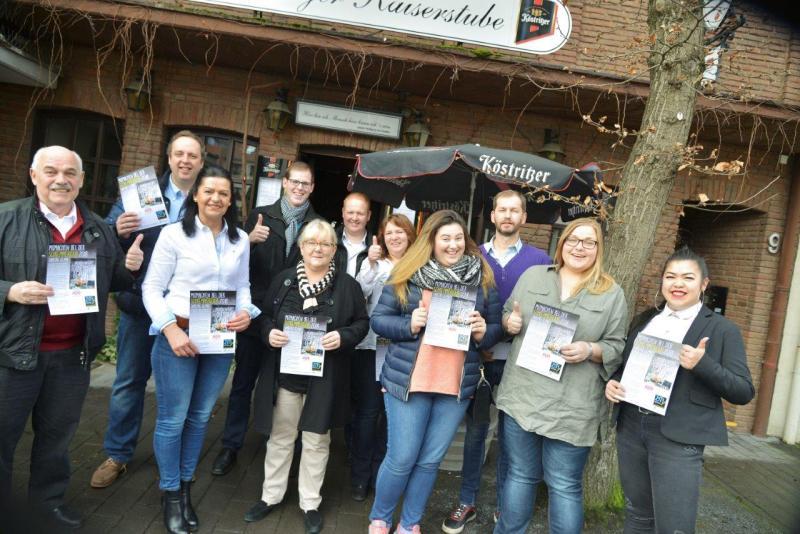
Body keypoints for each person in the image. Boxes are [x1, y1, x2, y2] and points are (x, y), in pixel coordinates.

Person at [0, 146, 141, 529]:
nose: (60, 179)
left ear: (81, 180)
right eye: (51, 171)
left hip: (71, 357)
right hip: (13, 355)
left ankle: (47, 503)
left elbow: (111, 282)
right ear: (34, 175)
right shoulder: (6, 219)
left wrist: (129, 268)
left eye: (69, 173)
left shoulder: (97, 228)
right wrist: (9, 292)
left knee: (56, 439)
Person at [368, 210, 504, 534]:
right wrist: (408, 323)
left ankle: (409, 524)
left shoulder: (482, 279)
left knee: (430, 461)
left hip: (454, 386)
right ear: (432, 240)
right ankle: (380, 518)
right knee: (401, 458)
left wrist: (484, 330)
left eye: (459, 238)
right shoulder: (408, 273)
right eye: (446, 238)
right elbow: (378, 320)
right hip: (408, 382)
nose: (453, 244)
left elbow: (497, 328)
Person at [142, 165, 258, 534]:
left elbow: (243, 286)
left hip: (219, 339)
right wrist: (170, 329)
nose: (216, 198)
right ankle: (171, 493)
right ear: (196, 194)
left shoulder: (239, 239)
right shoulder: (174, 234)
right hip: (179, 336)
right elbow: (151, 288)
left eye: (224, 193)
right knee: (173, 420)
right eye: (209, 191)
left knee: (200, 418)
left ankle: (186, 487)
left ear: (231, 200)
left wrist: (246, 312)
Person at [605, 247, 754, 534]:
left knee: (675, 526)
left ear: (704, 284)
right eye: (671, 276)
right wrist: (613, 382)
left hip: (678, 436)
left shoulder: (723, 330)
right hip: (632, 427)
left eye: (687, 277)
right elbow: (626, 368)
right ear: (662, 281)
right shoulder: (645, 320)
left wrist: (702, 364)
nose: (678, 284)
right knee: (637, 515)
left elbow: (743, 391)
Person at [494, 218, 628, 534]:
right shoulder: (533, 276)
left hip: (573, 406)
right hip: (523, 397)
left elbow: (616, 346)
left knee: (564, 484)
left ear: (599, 249)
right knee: (520, 475)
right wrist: (509, 324)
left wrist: (589, 349)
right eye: (572, 240)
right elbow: (507, 316)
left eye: (588, 242)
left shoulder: (611, 294)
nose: (579, 247)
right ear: (562, 243)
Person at [91, 130, 205, 488]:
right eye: (179, 154)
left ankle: (170, 456)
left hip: (185, 311)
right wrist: (118, 230)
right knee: (129, 381)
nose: (185, 160)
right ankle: (118, 454)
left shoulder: (207, 197)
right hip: (141, 304)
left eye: (192, 155)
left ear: (200, 163)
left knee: (181, 390)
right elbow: (105, 238)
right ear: (168, 158)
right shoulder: (139, 194)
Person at [244, 219, 369, 534]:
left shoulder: (348, 286)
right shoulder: (284, 281)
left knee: (316, 441)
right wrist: (269, 331)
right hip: (285, 377)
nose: (318, 248)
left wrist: (342, 336)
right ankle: (270, 496)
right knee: (281, 437)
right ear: (301, 247)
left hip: (324, 379)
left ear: (333, 250)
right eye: (311, 242)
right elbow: (264, 316)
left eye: (325, 244)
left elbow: (362, 323)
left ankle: (309, 503)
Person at [442, 190, 551, 533]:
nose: (507, 215)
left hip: (521, 361)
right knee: (476, 433)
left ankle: (506, 507)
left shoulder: (540, 260)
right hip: (479, 357)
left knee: (511, 437)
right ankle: (467, 500)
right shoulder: (471, 254)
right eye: (501, 209)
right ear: (492, 216)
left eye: (514, 210)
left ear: (523, 217)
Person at [211, 161, 321, 477]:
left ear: (312, 187)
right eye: (295, 182)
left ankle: (281, 447)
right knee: (243, 382)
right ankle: (230, 445)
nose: (300, 188)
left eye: (306, 183)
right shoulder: (259, 215)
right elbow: (229, 263)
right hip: (256, 315)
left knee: (288, 387)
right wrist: (250, 238)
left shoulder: (317, 225)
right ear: (284, 183)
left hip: (294, 323)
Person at [351, 213, 417, 501]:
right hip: (371, 346)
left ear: (410, 236)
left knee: (392, 417)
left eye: (400, 232)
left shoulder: (420, 267)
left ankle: (382, 473)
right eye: (389, 233)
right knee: (368, 413)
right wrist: (371, 263)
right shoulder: (374, 265)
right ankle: (359, 475)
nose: (394, 237)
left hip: (403, 350)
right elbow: (358, 293)